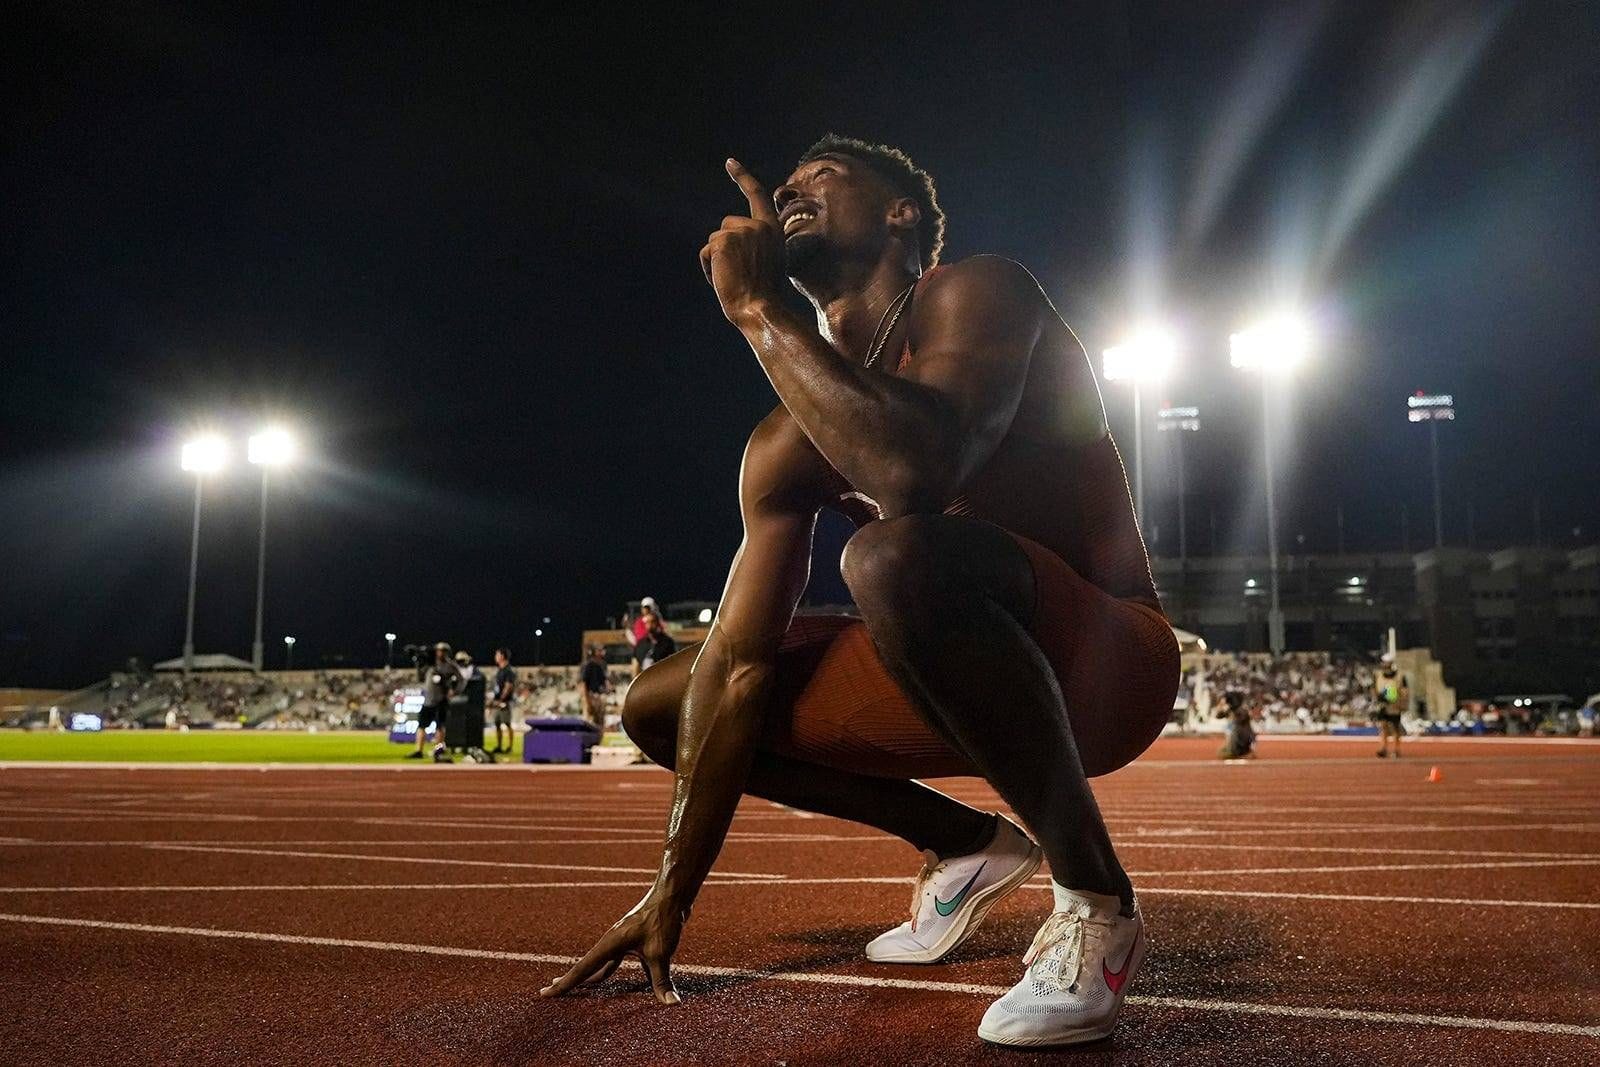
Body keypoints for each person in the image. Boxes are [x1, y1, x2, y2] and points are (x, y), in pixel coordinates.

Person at [542, 136, 1178, 1048]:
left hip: (1107, 661)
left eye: (822, 175)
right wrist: (668, 895)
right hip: (956, 673)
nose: (791, 186)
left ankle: (1098, 905)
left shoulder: (975, 291)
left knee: (888, 555)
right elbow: (738, 666)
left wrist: (760, 309)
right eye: (787, 180)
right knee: (666, 702)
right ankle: (965, 844)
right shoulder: (782, 437)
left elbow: (919, 470)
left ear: (900, 214)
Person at [408, 642, 462, 761]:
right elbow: (420, 677)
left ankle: (438, 749)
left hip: (441, 699)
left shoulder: (451, 666)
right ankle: (419, 750)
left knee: (440, 727)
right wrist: (417, 663)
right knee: (421, 725)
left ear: (447, 653)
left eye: (443, 651)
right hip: (428, 699)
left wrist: (454, 691)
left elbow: (460, 681)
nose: (440, 653)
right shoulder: (430, 665)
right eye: (438, 650)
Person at [1374, 657, 1408, 758]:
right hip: (1383, 705)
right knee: (1383, 726)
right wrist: (1378, 698)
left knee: (1395, 728)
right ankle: (1383, 748)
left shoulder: (1400, 676)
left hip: (1394, 705)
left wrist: (1400, 702)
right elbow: (1374, 688)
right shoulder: (1378, 675)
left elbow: (1405, 691)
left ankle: (1396, 750)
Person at [491, 648, 518, 754]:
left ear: (502, 656)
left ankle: (510, 747)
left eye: (497, 655)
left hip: (505, 702)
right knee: (497, 723)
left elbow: (508, 687)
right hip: (498, 700)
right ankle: (499, 746)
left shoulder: (508, 671)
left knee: (507, 723)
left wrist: (501, 699)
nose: (495, 657)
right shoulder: (500, 670)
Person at [578, 645, 610, 728]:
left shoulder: (600, 666)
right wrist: (586, 699)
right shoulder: (588, 665)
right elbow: (583, 683)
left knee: (599, 720)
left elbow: (603, 682)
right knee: (588, 720)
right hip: (589, 695)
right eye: (598, 651)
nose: (601, 653)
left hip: (597, 696)